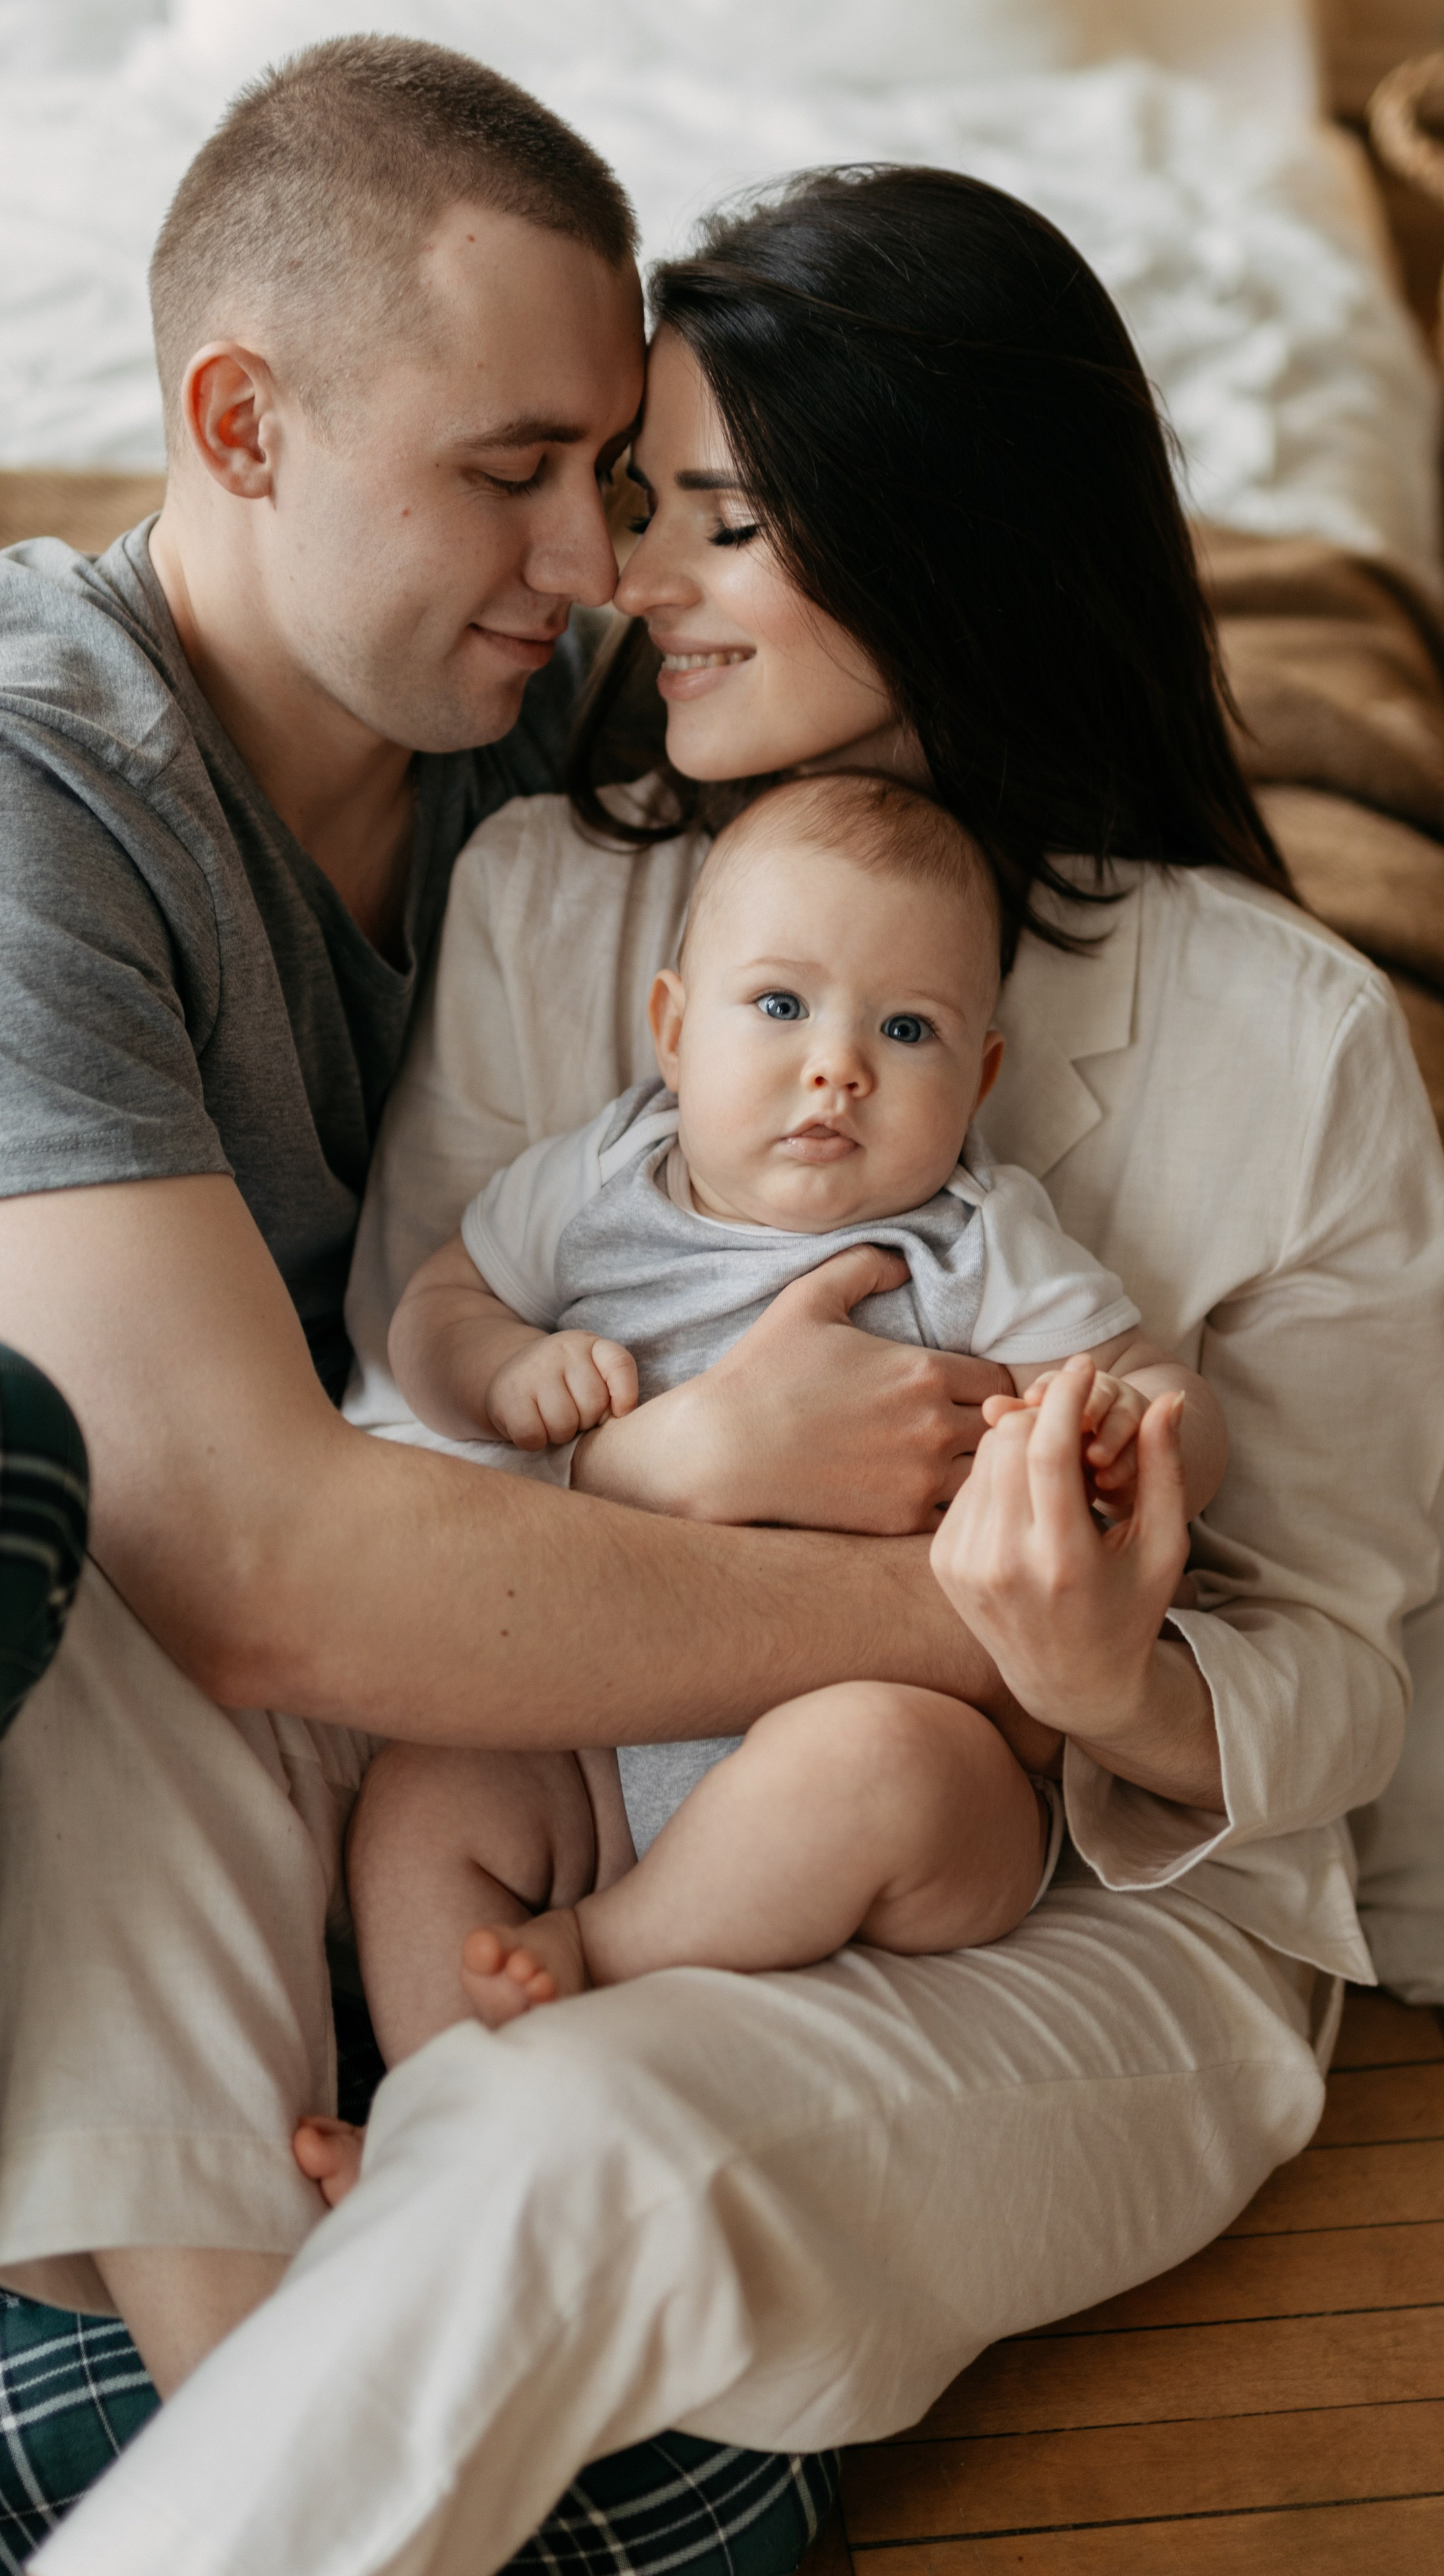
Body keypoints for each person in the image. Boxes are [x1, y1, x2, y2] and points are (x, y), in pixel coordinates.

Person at [23, 164, 1444, 2576]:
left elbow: (1352, 1684)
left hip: (1053, 1917)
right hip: (560, 1743)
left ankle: (281, 2289)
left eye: (720, 520)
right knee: (104, 1576)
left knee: (569, 2147)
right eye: (626, 499)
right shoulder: (553, 899)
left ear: (937, 532)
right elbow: (400, 1429)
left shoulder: (1282, 1035)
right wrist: (666, 1467)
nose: (621, 579)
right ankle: (207, 2244)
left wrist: (1112, 1681)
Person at [0, 38, 1026, 2574]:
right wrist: (962, 1625)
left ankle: (109, 2432)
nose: (593, 565)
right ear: (242, 423)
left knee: (727, 2441)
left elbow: (883, 730)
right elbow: (252, 1568)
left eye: (615, 477)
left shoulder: (518, 736)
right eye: (508, 471)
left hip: (256, 1821)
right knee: (29, 1475)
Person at [327, 772, 1222, 2085]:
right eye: (782, 1005)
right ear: (671, 1029)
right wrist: (507, 1372)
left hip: (901, 1752)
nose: (837, 1068)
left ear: (978, 1078)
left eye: (906, 1029)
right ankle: (431, 2107)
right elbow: (433, 1314)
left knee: (869, 1760)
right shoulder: (597, 1178)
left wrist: (1122, 1433)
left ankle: (606, 1950)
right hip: (607, 1730)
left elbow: (1156, 1389)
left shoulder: (974, 1238)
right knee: (424, 1794)